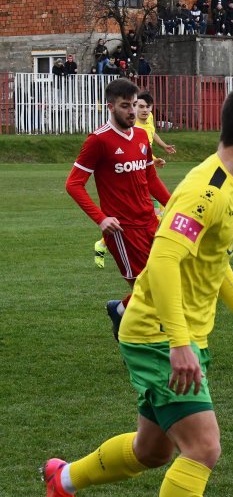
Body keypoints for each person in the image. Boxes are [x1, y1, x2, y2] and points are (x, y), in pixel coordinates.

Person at [41, 86, 233, 497]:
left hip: (182, 333)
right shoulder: (205, 190)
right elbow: (162, 264)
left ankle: (63, 478)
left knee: (151, 452)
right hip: (158, 334)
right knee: (203, 448)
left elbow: (213, 260)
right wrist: (179, 343)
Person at [65, 79, 171, 338]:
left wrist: (174, 205)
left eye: (135, 104)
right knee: (151, 290)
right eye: (126, 106)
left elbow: (150, 178)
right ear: (110, 106)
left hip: (150, 222)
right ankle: (140, 342)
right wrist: (101, 219)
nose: (133, 111)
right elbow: (74, 184)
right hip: (123, 230)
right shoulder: (98, 141)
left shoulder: (142, 136)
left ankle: (121, 311)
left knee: (163, 282)